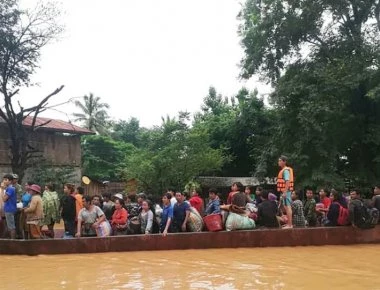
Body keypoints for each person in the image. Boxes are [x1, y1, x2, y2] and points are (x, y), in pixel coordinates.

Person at [277, 155, 294, 229]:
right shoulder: (283, 170)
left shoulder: (286, 170)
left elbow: (287, 181)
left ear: (284, 162)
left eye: (280, 160)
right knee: (286, 207)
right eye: (279, 160)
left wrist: (285, 192)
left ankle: (290, 225)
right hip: (285, 191)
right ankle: (288, 224)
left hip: (286, 191)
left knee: (288, 207)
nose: (279, 162)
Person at [1, 174, 17, 239]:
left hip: (9, 209)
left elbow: (4, 199)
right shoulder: (9, 188)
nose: (4, 181)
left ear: (10, 181)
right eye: (4, 180)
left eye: (6, 180)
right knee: (9, 226)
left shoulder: (10, 188)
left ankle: (13, 241)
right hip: (9, 209)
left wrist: (2, 190)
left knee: (11, 227)